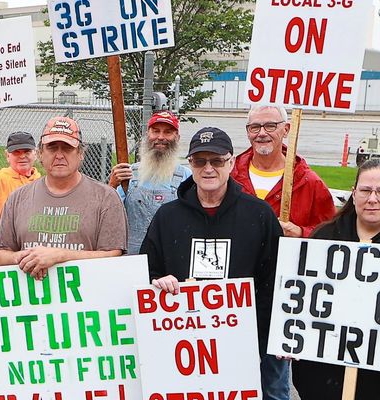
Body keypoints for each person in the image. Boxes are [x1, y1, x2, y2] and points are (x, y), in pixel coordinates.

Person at [139, 127, 286, 400]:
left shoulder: (259, 215)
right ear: (190, 165)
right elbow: (148, 271)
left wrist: (269, 337)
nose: (208, 168)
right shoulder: (167, 217)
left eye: (217, 160)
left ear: (231, 163)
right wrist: (157, 284)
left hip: (249, 345)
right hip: (184, 346)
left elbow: (276, 281)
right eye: (200, 161)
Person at [0, 116, 127, 278]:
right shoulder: (18, 198)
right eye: (52, 148)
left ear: (81, 153)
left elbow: (114, 255)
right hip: (31, 298)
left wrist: (61, 256)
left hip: (86, 298)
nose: (59, 155)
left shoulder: (105, 197)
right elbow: (0, 253)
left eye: (67, 148)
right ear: (41, 153)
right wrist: (25, 258)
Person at [291, 158, 380, 399]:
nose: (373, 198)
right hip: (323, 375)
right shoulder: (324, 238)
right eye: (365, 190)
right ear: (353, 193)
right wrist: (287, 335)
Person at [232, 105, 335, 238]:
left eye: (271, 126)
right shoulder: (230, 176)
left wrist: (300, 232)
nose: (262, 133)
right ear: (248, 132)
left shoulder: (308, 182)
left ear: (286, 130)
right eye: (255, 127)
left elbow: (331, 232)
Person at [107, 110, 192, 254]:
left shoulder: (186, 177)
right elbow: (108, 216)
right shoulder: (128, 175)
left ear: (177, 137)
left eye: (168, 132)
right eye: (155, 131)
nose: (160, 137)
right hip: (132, 260)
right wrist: (111, 186)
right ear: (148, 135)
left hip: (170, 260)